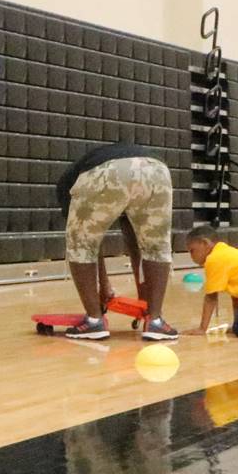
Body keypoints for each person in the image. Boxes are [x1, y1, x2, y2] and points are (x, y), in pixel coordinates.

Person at [55, 143, 178, 342]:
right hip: (156, 169)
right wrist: (144, 302)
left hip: (106, 170)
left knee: (81, 245)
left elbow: (90, 244)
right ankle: (155, 321)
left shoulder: (66, 185)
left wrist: (103, 288)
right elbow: (137, 242)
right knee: (156, 246)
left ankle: (94, 321)